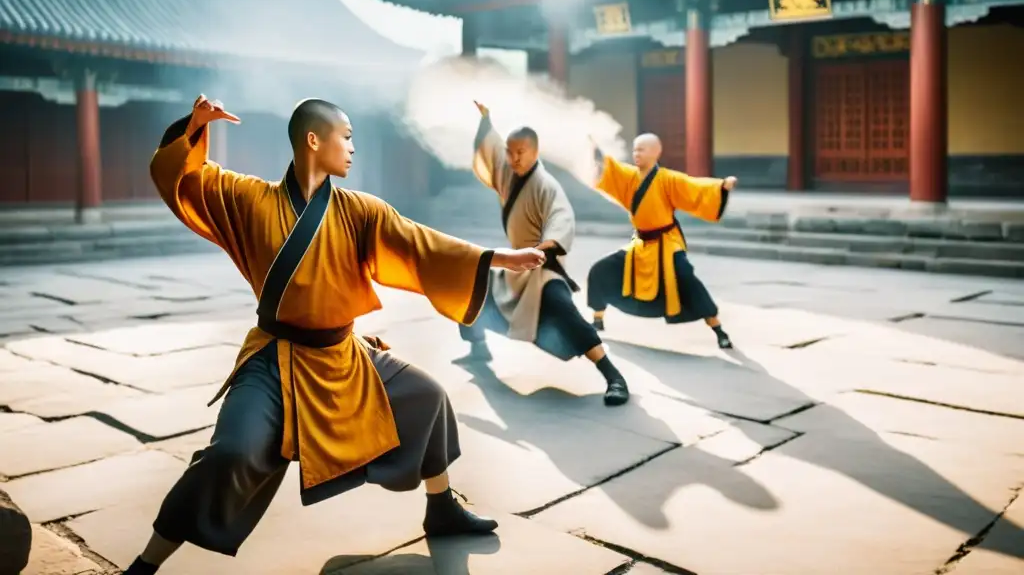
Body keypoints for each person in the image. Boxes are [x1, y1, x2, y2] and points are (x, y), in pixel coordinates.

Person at [123, 95, 546, 575]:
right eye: (345, 137)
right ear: (313, 140)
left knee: (427, 397)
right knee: (232, 454)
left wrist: (495, 257)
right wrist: (195, 126)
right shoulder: (248, 200)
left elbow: (419, 243)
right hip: (274, 361)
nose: (351, 148)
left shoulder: (359, 211)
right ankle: (147, 562)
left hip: (342, 355)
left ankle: (442, 507)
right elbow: (183, 180)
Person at [455, 102, 629, 406]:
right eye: (510, 152)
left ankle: (614, 376)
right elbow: (493, 151)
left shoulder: (547, 186)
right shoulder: (509, 174)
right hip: (514, 266)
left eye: (520, 152)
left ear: (535, 151)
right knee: (470, 284)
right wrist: (486, 121)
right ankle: (476, 344)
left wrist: (544, 246)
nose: (512, 158)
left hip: (541, 266)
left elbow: (561, 220)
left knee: (565, 314)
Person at [586, 133, 737, 349]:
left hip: (666, 241)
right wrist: (597, 153)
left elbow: (693, 187)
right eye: (635, 149)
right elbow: (610, 169)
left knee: (685, 275)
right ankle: (597, 319)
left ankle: (717, 328)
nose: (637, 154)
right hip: (640, 243)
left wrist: (721, 187)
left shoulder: (668, 179)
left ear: (657, 152)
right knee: (602, 269)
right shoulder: (630, 176)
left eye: (642, 150)